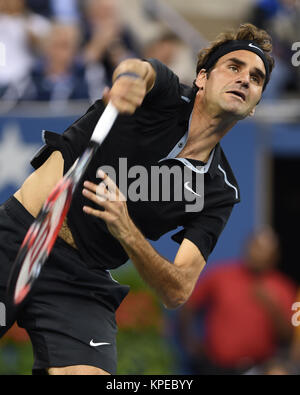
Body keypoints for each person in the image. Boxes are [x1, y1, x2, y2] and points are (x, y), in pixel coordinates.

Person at [0, 23, 275, 375]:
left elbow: (177, 290)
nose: (244, 80)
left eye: (256, 78)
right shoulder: (164, 95)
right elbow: (138, 69)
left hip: (80, 280)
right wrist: (127, 81)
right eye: (234, 67)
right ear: (202, 79)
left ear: (254, 105)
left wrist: (126, 230)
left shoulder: (218, 191)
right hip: (18, 234)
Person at [178, 227, 297, 375]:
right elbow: (189, 305)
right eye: (255, 246)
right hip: (216, 366)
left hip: (259, 367)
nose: (258, 253)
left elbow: (288, 337)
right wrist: (190, 341)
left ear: (275, 256)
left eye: (265, 250)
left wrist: (272, 308)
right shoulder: (221, 275)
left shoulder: (284, 288)